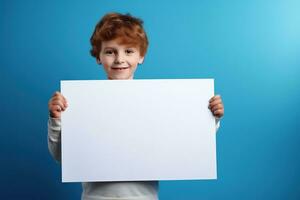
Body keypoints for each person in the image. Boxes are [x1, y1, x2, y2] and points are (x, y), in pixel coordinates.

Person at [48, 12, 224, 200]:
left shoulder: (159, 102)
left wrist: (210, 117)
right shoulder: (80, 103)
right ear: (98, 56)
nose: (119, 59)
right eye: (110, 51)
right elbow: (63, 157)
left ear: (141, 56)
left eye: (128, 51)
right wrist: (56, 119)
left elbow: (184, 143)